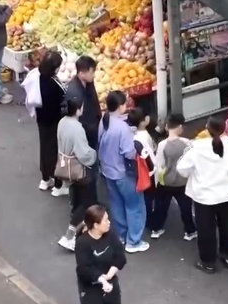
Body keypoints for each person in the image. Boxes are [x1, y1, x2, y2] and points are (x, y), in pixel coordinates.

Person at [177, 114, 228, 273]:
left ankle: (208, 262)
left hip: (204, 197)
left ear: (207, 128)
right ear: (224, 130)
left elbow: (182, 169)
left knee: (206, 229)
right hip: (226, 194)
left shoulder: (197, 149)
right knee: (227, 226)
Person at [98, 91, 149, 253]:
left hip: (107, 170)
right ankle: (134, 241)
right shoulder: (122, 128)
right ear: (120, 106)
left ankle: (121, 236)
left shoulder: (104, 121)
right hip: (122, 172)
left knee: (117, 203)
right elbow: (128, 153)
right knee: (134, 205)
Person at [56, 97, 99, 251]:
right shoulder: (77, 128)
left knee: (76, 200)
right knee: (85, 203)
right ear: (78, 110)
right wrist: (94, 154)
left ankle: (78, 232)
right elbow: (84, 153)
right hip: (79, 168)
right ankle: (70, 236)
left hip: (66, 166)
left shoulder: (62, 122)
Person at [150, 113, 196, 241]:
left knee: (161, 207)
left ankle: (156, 229)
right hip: (182, 182)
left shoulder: (162, 145)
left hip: (165, 182)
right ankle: (190, 231)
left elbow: (159, 165)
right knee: (186, 208)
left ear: (166, 127)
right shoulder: (187, 143)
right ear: (180, 127)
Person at [67, 56, 104, 205]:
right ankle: (88, 203)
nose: (93, 75)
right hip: (85, 135)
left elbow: (94, 103)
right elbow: (78, 118)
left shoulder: (88, 84)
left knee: (91, 170)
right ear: (82, 73)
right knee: (87, 171)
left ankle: (90, 200)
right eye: (91, 72)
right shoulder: (74, 91)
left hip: (92, 130)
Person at [74, 205, 126, 304]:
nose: (109, 222)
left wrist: (108, 276)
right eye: (106, 220)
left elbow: (120, 257)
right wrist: (101, 279)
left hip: (110, 282)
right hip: (91, 288)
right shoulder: (82, 242)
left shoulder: (110, 235)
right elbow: (84, 269)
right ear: (96, 225)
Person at [36, 51, 69, 196]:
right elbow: (63, 96)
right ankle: (58, 185)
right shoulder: (53, 84)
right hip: (54, 121)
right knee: (56, 151)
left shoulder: (37, 77)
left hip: (41, 119)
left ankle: (45, 179)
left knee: (44, 148)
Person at [125, 108, 157, 233]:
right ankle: (149, 220)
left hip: (142, 172)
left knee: (146, 197)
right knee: (149, 198)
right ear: (144, 121)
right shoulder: (142, 138)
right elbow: (147, 156)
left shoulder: (133, 135)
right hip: (148, 172)